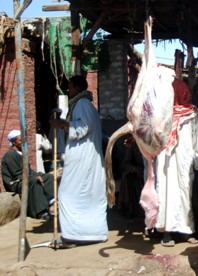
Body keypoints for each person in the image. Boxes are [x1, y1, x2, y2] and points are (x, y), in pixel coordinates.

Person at [50, 75, 108, 245]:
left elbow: (84, 127)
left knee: (66, 193)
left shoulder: (82, 104)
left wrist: (62, 124)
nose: (68, 90)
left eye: (70, 86)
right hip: (84, 159)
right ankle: (81, 233)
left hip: (84, 159)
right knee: (81, 194)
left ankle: (78, 233)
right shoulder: (82, 104)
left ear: (76, 88)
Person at [155, 77, 198, 246]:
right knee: (165, 193)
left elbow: (197, 138)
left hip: (184, 162)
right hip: (165, 163)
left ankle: (185, 231)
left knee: (184, 193)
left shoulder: (191, 114)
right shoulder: (160, 115)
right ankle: (166, 232)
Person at [1, 130, 54, 220]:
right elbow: (17, 174)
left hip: (25, 177)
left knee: (48, 176)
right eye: (20, 140)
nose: (23, 142)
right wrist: (34, 177)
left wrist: (36, 175)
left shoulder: (22, 153)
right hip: (15, 182)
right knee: (34, 181)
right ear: (14, 142)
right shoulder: (10, 155)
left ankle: (50, 200)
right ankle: (40, 212)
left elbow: (28, 170)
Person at [118, 136, 144, 218]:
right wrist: (134, 169)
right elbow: (124, 164)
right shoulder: (133, 144)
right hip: (139, 174)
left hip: (152, 173)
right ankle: (129, 208)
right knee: (126, 175)